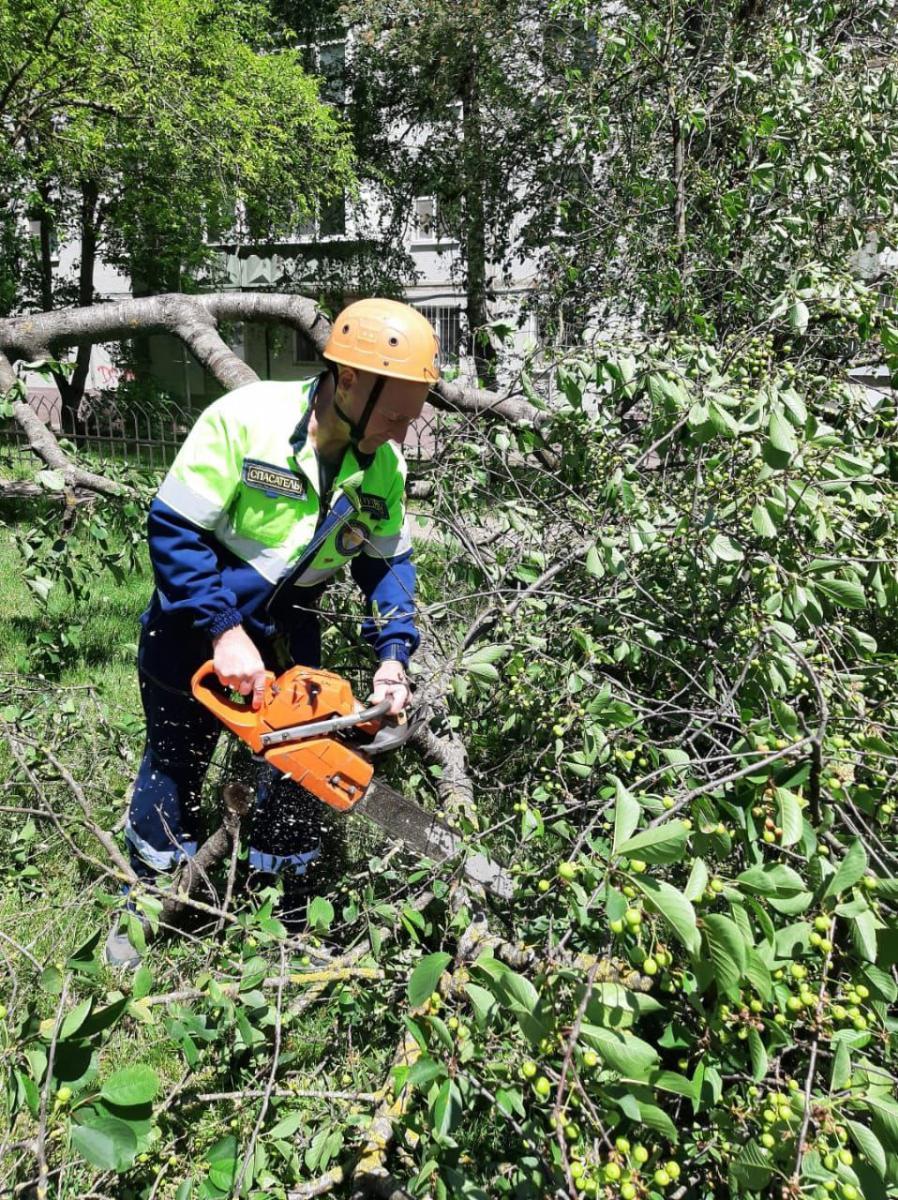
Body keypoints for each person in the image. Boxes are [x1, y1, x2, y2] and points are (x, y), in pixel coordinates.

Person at [105, 298, 440, 966]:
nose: (403, 433)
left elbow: (388, 566)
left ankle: (281, 906)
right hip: (194, 622)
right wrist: (223, 632)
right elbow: (175, 527)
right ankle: (146, 903)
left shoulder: (384, 469)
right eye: (396, 414)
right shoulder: (246, 421)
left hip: (291, 630)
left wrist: (393, 658)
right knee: (175, 759)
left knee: (299, 769)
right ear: (349, 380)